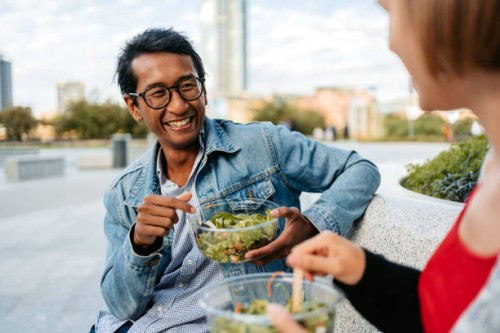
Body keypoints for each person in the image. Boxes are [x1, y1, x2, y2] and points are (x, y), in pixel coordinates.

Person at [90, 28, 380, 332]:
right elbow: (122, 306)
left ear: (202, 90)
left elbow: (360, 168)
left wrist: (313, 224)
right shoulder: (124, 193)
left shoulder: (262, 145)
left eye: (187, 86)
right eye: (158, 93)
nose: (178, 105)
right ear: (135, 106)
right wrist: (140, 244)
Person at [268, 0, 500, 332]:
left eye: (390, 11)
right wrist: (363, 270)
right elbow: (445, 315)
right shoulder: (493, 164)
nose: (391, 43)